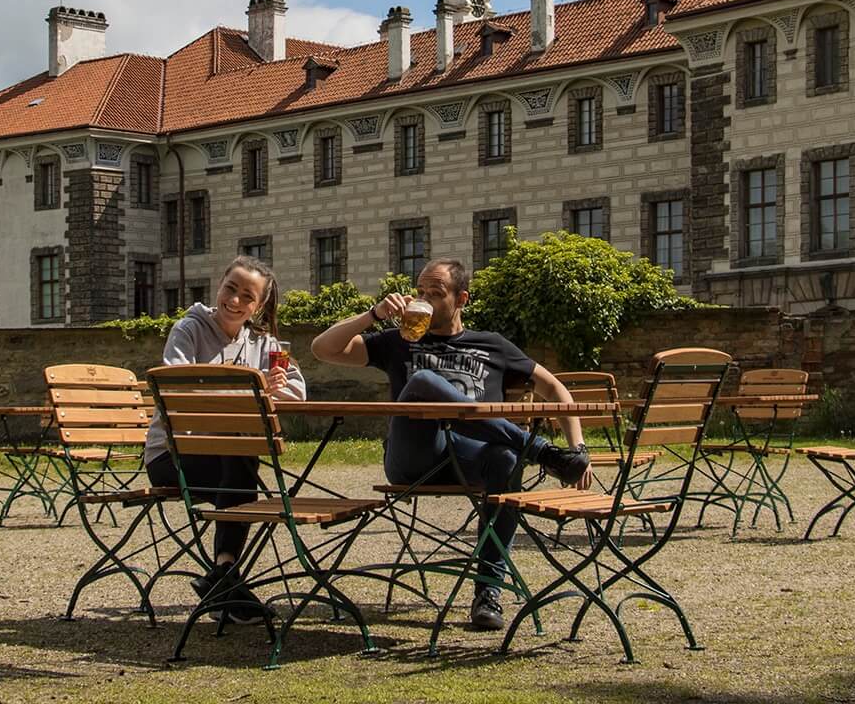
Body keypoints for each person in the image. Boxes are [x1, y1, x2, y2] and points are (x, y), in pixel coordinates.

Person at [310, 257, 591, 632]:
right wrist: (373, 315)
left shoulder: (492, 345)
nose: (423, 299)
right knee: (423, 381)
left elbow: (554, 388)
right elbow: (322, 349)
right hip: (414, 457)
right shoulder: (399, 340)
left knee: (506, 458)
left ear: (462, 299)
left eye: (435, 293)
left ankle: (488, 592)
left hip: (473, 458)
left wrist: (580, 448)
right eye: (420, 291)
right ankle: (539, 450)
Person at [144, 255, 305, 622]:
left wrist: (273, 388)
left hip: (228, 459)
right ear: (219, 286)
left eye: (247, 296)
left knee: (240, 452)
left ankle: (223, 574)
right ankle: (227, 581)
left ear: (259, 305)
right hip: (172, 458)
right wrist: (254, 387)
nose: (234, 301)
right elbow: (175, 387)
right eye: (230, 289)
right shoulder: (189, 329)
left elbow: (299, 392)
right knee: (242, 454)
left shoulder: (262, 342)